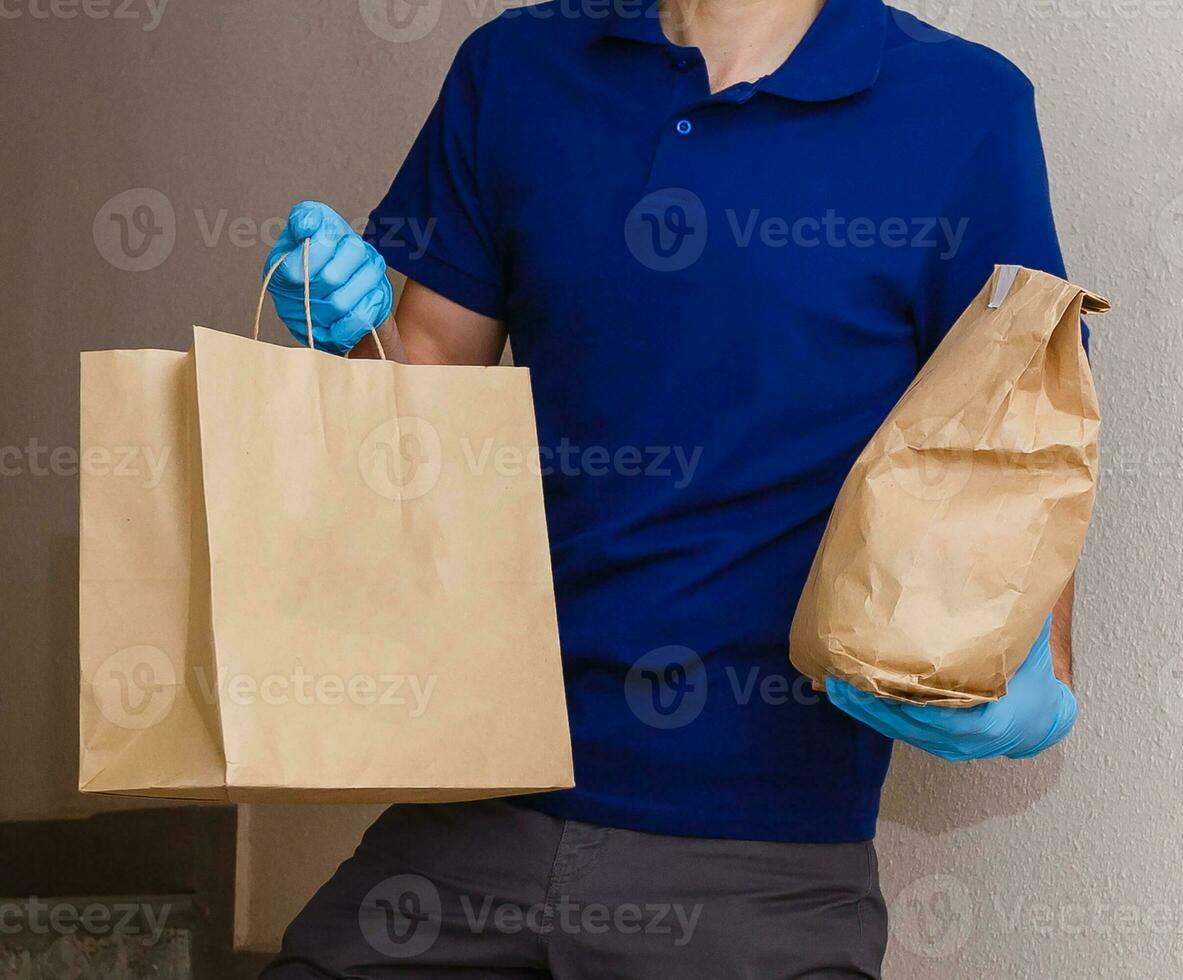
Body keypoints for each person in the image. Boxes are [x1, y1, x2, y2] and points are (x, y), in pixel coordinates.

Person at [262, 0, 1082, 974]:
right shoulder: (516, 70)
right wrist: (346, 325)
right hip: (470, 809)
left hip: (761, 870)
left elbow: (1020, 429)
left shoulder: (962, 108)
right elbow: (424, 377)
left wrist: (1042, 675)